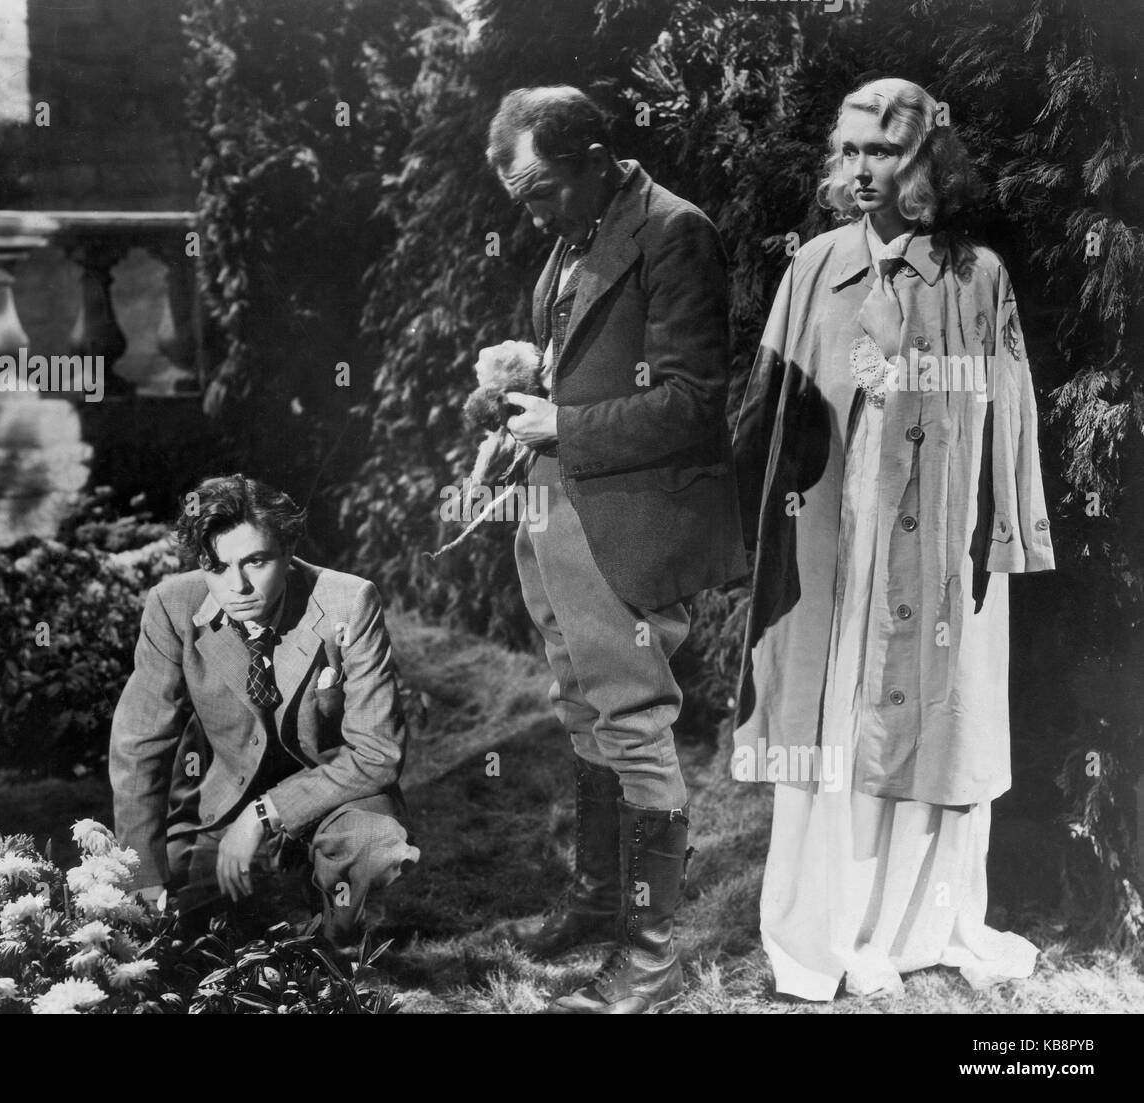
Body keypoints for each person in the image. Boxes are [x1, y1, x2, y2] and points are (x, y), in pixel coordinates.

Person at [732, 77, 1055, 1001]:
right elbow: (770, 415)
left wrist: (1008, 536)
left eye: (884, 151)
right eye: (849, 151)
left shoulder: (975, 274)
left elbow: (1013, 417)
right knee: (840, 715)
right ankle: (831, 925)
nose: (860, 169)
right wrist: (755, 537)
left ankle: (920, 925)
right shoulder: (815, 268)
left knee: (934, 721)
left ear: (924, 162)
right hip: (840, 539)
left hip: (945, 533)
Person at [486, 85, 747, 1013]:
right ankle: (599, 899)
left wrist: (565, 422)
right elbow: (576, 373)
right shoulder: (572, 233)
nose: (534, 215)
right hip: (555, 513)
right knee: (582, 707)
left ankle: (650, 953)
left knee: (634, 723)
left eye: (543, 191)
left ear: (595, 155)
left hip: (627, 522)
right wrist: (521, 428)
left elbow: (691, 401)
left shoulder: (676, 232)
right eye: (523, 201)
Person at [109, 474, 418, 951]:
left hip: (339, 797)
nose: (238, 585)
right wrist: (140, 874)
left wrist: (264, 814)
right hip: (222, 804)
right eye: (216, 565)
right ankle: (275, 900)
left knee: (372, 844)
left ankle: (338, 946)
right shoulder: (172, 606)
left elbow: (378, 753)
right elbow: (139, 746)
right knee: (178, 943)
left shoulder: (349, 601)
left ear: (288, 550)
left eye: (256, 561)